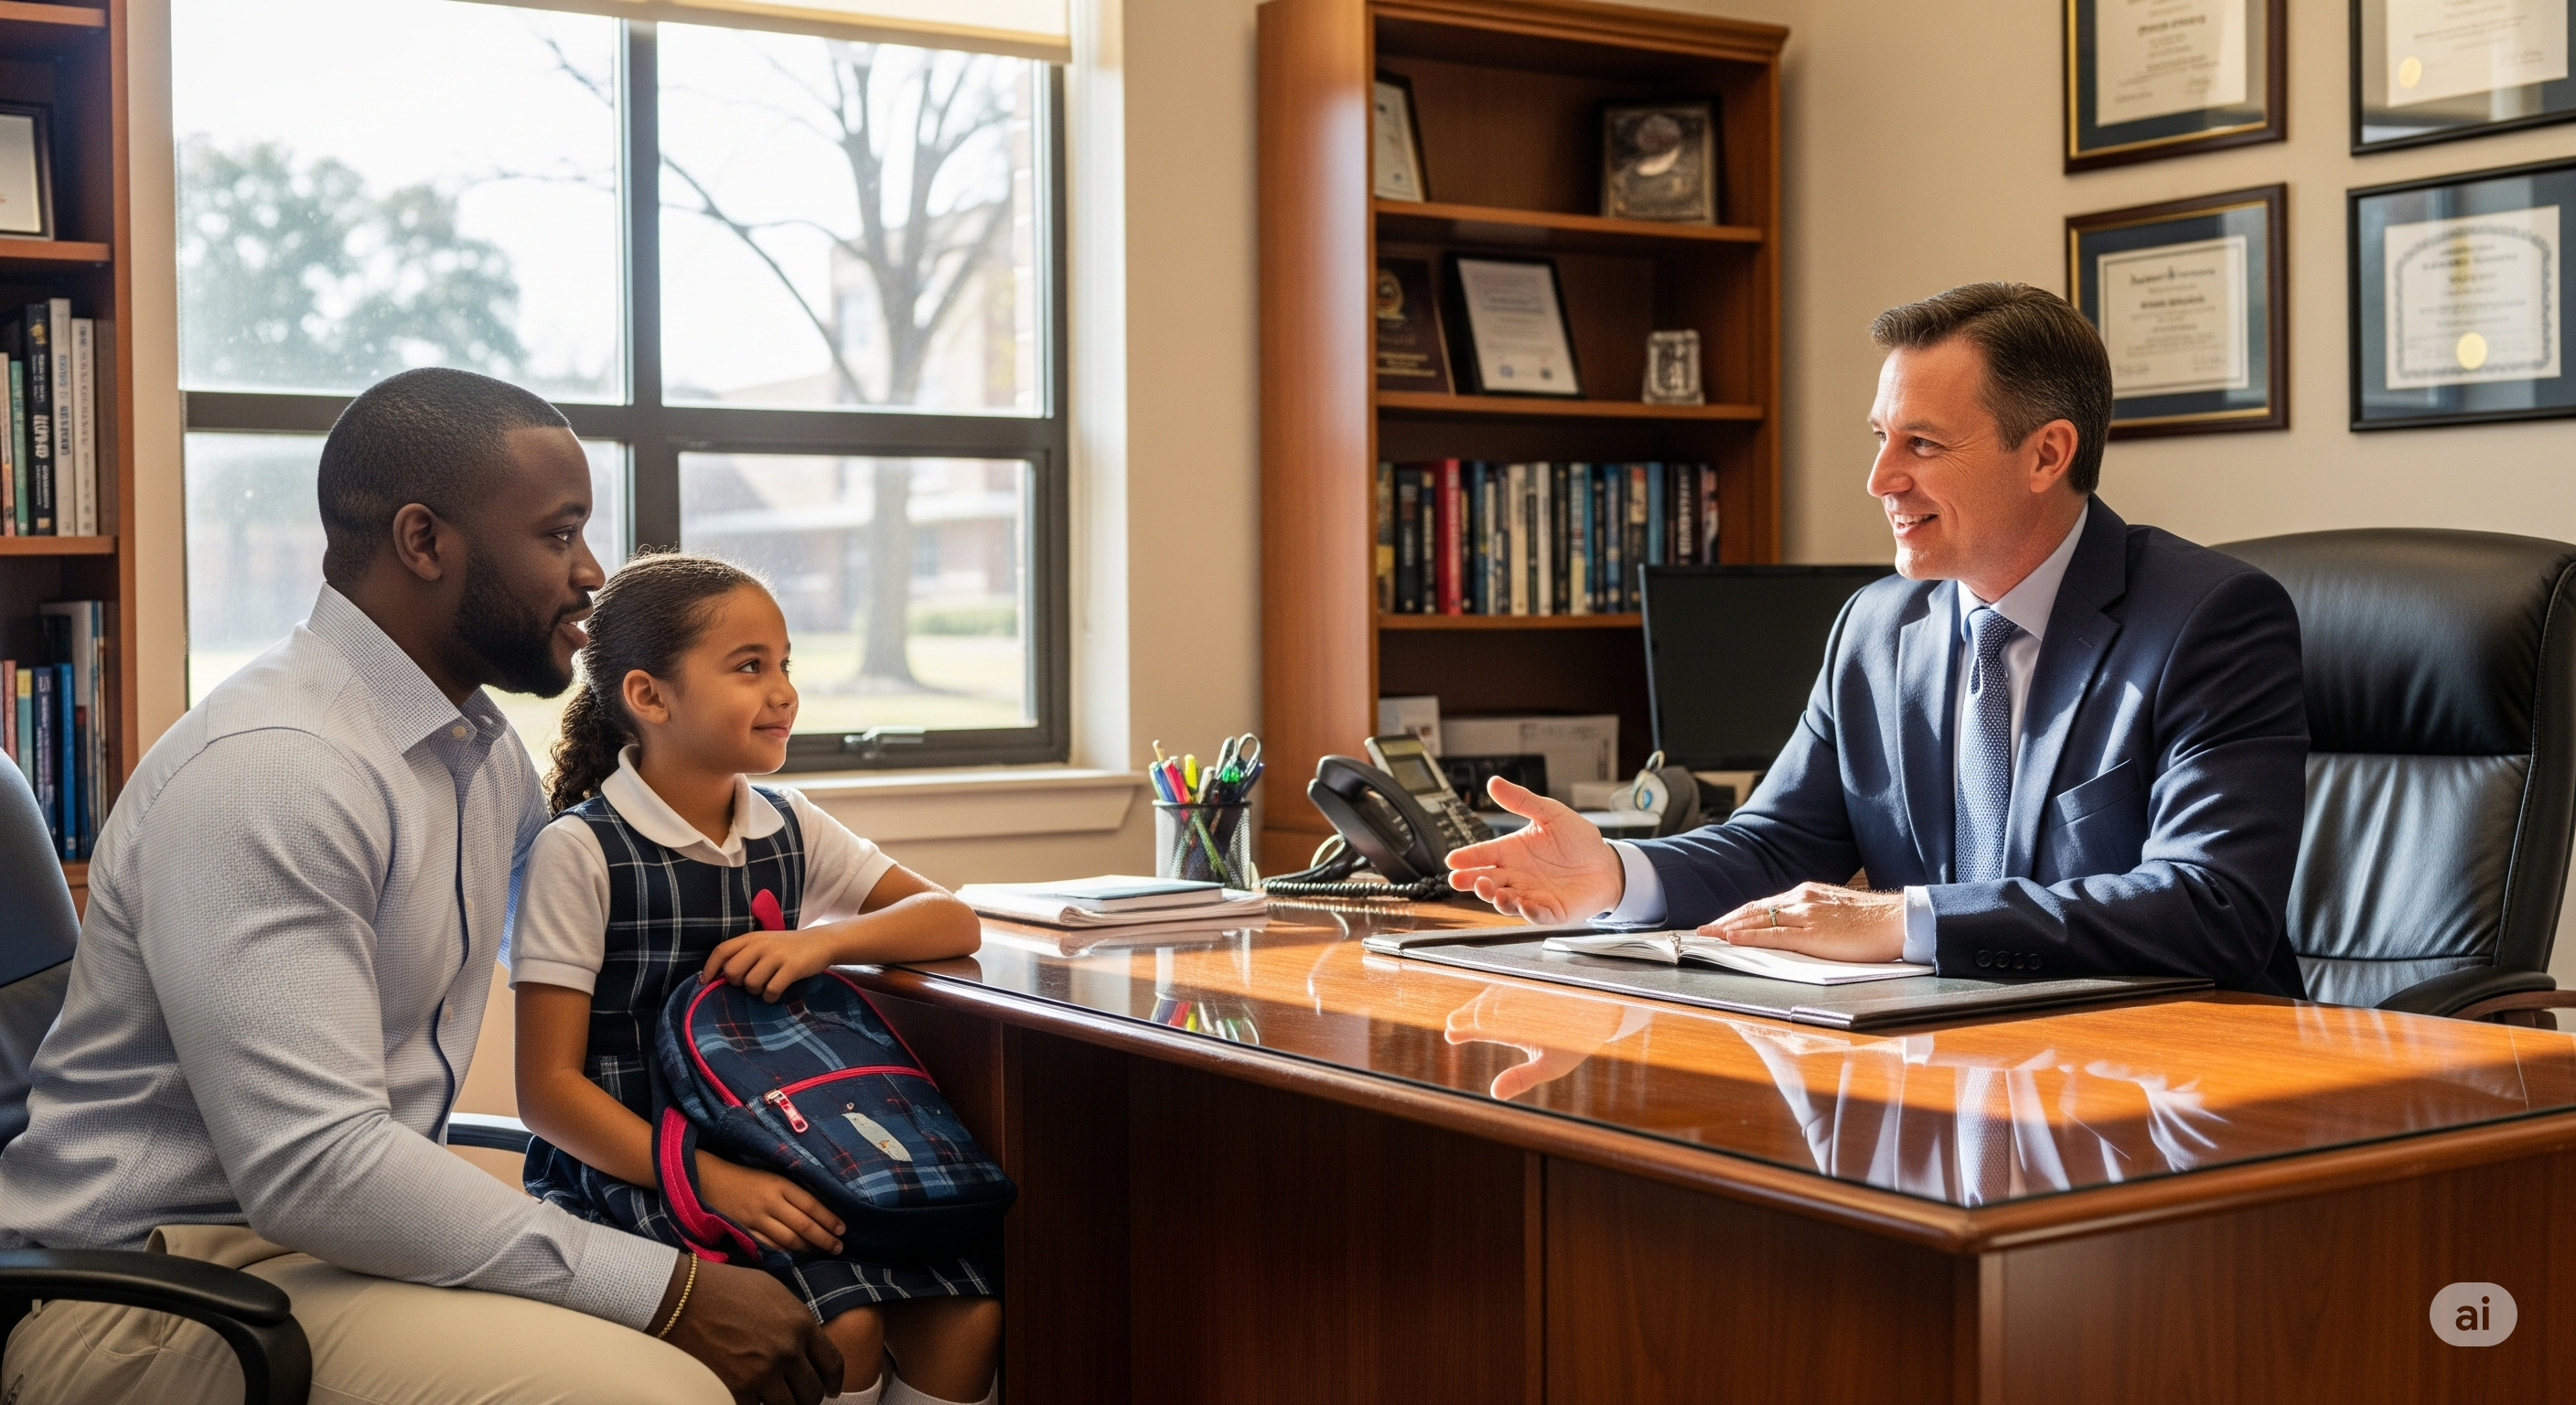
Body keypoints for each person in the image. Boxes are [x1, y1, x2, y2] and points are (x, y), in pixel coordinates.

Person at [0, 369, 843, 1405]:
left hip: (327, 1258)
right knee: (662, 1388)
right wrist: (668, 1291)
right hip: (158, 1299)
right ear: (424, 541)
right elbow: (315, 1167)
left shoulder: (474, 754)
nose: (590, 573)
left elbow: (604, 945)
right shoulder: (275, 769)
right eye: (557, 534)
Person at [1445, 282, 2311, 998]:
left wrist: (1900, 920)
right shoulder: (1878, 625)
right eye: (1880, 438)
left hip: (2173, 1075)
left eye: (1922, 444)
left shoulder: (2210, 619)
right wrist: (1617, 874)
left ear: (2047, 455)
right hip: (1940, 1055)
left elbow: (2214, 904)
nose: (1880, 479)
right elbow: (1778, 843)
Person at [512, 552, 997, 1405]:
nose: (783, 692)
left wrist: (822, 944)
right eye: (748, 668)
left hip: (791, 1145)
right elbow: (547, 1094)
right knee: (840, 1331)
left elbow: (950, 920)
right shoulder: (579, 852)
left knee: (970, 1314)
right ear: (649, 697)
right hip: (638, 1167)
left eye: (784, 666)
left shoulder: (788, 823)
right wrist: (711, 1180)